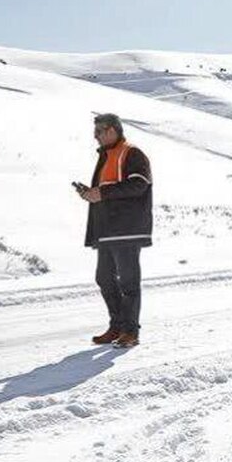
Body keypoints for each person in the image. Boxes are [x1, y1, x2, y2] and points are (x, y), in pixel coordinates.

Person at [78, 114, 153, 349]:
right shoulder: (107, 156)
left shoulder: (132, 153)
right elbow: (107, 189)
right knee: (103, 277)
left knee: (129, 282)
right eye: (95, 132)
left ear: (113, 130)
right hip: (107, 231)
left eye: (99, 131)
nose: (95, 136)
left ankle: (131, 332)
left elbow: (140, 184)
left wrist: (102, 193)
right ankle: (118, 326)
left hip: (127, 230)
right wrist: (91, 193)